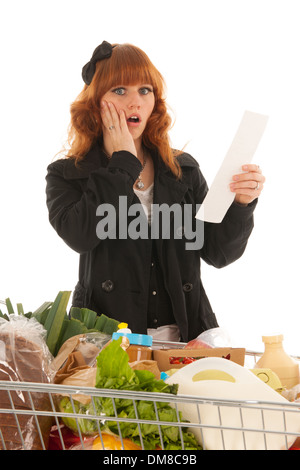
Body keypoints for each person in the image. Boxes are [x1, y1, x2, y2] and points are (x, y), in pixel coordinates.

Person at [45, 41, 265, 342]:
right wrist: (122, 162)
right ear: (96, 101)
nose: (134, 102)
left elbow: (218, 252)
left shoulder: (181, 170)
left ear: (154, 101)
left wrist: (241, 204)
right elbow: (80, 235)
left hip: (186, 337)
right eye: (120, 90)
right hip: (107, 340)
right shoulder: (68, 174)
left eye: (144, 90)